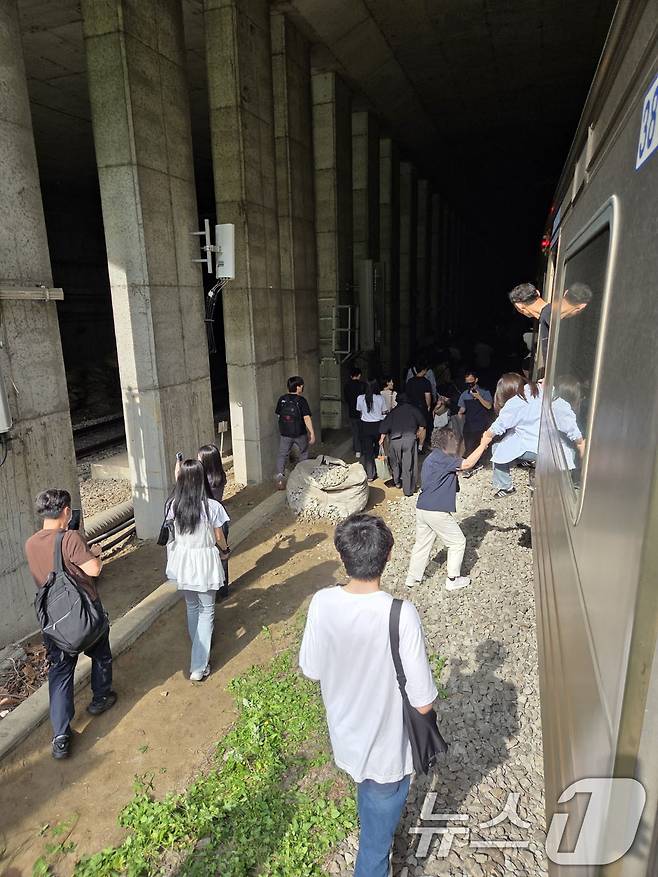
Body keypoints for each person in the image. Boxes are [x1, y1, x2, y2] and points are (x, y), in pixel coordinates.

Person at [299, 514, 437, 877]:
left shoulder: (322, 603)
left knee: (368, 794)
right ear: (388, 556)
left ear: (342, 556)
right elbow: (422, 701)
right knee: (374, 852)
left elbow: (311, 669)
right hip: (387, 749)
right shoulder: (401, 614)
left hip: (347, 738)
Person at [24, 489, 116, 760]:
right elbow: (94, 570)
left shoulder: (30, 544)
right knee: (100, 654)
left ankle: (61, 737)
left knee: (60, 674)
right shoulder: (71, 538)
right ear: (65, 511)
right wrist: (95, 553)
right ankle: (100, 698)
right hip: (84, 613)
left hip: (54, 621)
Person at [166, 460, 230, 681]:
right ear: (203, 478)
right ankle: (198, 666)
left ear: (181, 479)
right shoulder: (212, 507)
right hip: (205, 561)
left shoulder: (174, 505)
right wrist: (225, 551)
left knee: (192, 607)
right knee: (207, 612)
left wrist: (179, 476)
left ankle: (198, 650)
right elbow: (220, 537)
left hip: (183, 562)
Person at [405, 427, 491, 592]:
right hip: (437, 510)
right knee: (458, 542)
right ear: (447, 443)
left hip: (423, 508)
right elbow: (466, 463)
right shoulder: (442, 458)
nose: (457, 444)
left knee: (422, 543)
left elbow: (455, 469)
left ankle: (413, 578)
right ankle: (453, 579)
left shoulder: (433, 457)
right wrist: (482, 445)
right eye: (454, 441)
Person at [482, 373, 542, 498]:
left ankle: (506, 486)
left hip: (535, 449)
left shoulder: (515, 403)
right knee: (510, 440)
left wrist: (485, 438)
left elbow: (498, 427)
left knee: (497, 448)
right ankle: (525, 461)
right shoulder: (535, 392)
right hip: (546, 444)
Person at [508, 282, 592, 365]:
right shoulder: (551, 315)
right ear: (538, 292)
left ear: (519, 307)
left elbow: (556, 361)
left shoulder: (548, 319)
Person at [197, 444, 230, 599]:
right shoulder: (220, 476)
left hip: (208, 522)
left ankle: (212, 591)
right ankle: (223, 590)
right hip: (221, 517)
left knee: (210, 557)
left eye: (199, 458)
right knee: (223, 554)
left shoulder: (203, 482)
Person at [378, 392, 426, 496]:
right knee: (408, 465)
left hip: (395, 441)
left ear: (397, 401)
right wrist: (418, 433)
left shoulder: (393, 412)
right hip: (409, 440)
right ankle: (408, 491)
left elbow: (384, 428)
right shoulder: (414, 410)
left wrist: (381, 439)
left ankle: (397, 482)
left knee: (395, 463)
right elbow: (422, 424)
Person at [274, 376, 316, 490]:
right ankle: (302, 477)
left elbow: (279, 415)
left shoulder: (282, 399)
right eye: (301, 386)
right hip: (299, 433)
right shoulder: (301, 400)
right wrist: (311, 433)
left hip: (285, 433)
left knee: (282, 455)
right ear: (297, 387)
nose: (302, 387)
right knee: (303, 452)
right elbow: (306, 418)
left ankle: (279, 478)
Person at [457, 370, 493, 477]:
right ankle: (469, 466)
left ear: (476, 380)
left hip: (481, 423)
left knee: (478, 445)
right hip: (469, 423)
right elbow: (462, 408)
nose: (469, 384)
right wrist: (459, 413)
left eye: (471, 381)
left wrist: (479, 397)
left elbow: (489, 406)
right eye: (467, 382)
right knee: (468, 445)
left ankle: (473, 465)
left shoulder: (485, 392)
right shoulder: (464, 394)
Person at [356, 379, 387, 481]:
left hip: (365, 426)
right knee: (379, 449)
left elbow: (359, 410)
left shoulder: (360, 398)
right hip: (378, 426)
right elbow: (384, 412)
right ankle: (380, 471)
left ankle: (370, 475)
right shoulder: (380, 398)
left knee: (368, 452)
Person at [405, 364, 433, 449]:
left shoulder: (410, 381)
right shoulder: (426, 382)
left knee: (412, 426)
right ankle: (420, 447)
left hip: (411, 406)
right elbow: (427, 396)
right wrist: (428, 406)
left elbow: (407, 395)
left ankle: (412, 445)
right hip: (422, 407)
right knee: (422, 427)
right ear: (423, 370)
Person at [344, 366, 366, 458]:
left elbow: (346, 399)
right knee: (362, 431)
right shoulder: (363, 385)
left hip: (351, 411)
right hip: (362, 412)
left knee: (355, 432)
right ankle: (361, 449)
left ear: (350, 376)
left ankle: (356, 450)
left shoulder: (347, 385)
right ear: (359, 375)